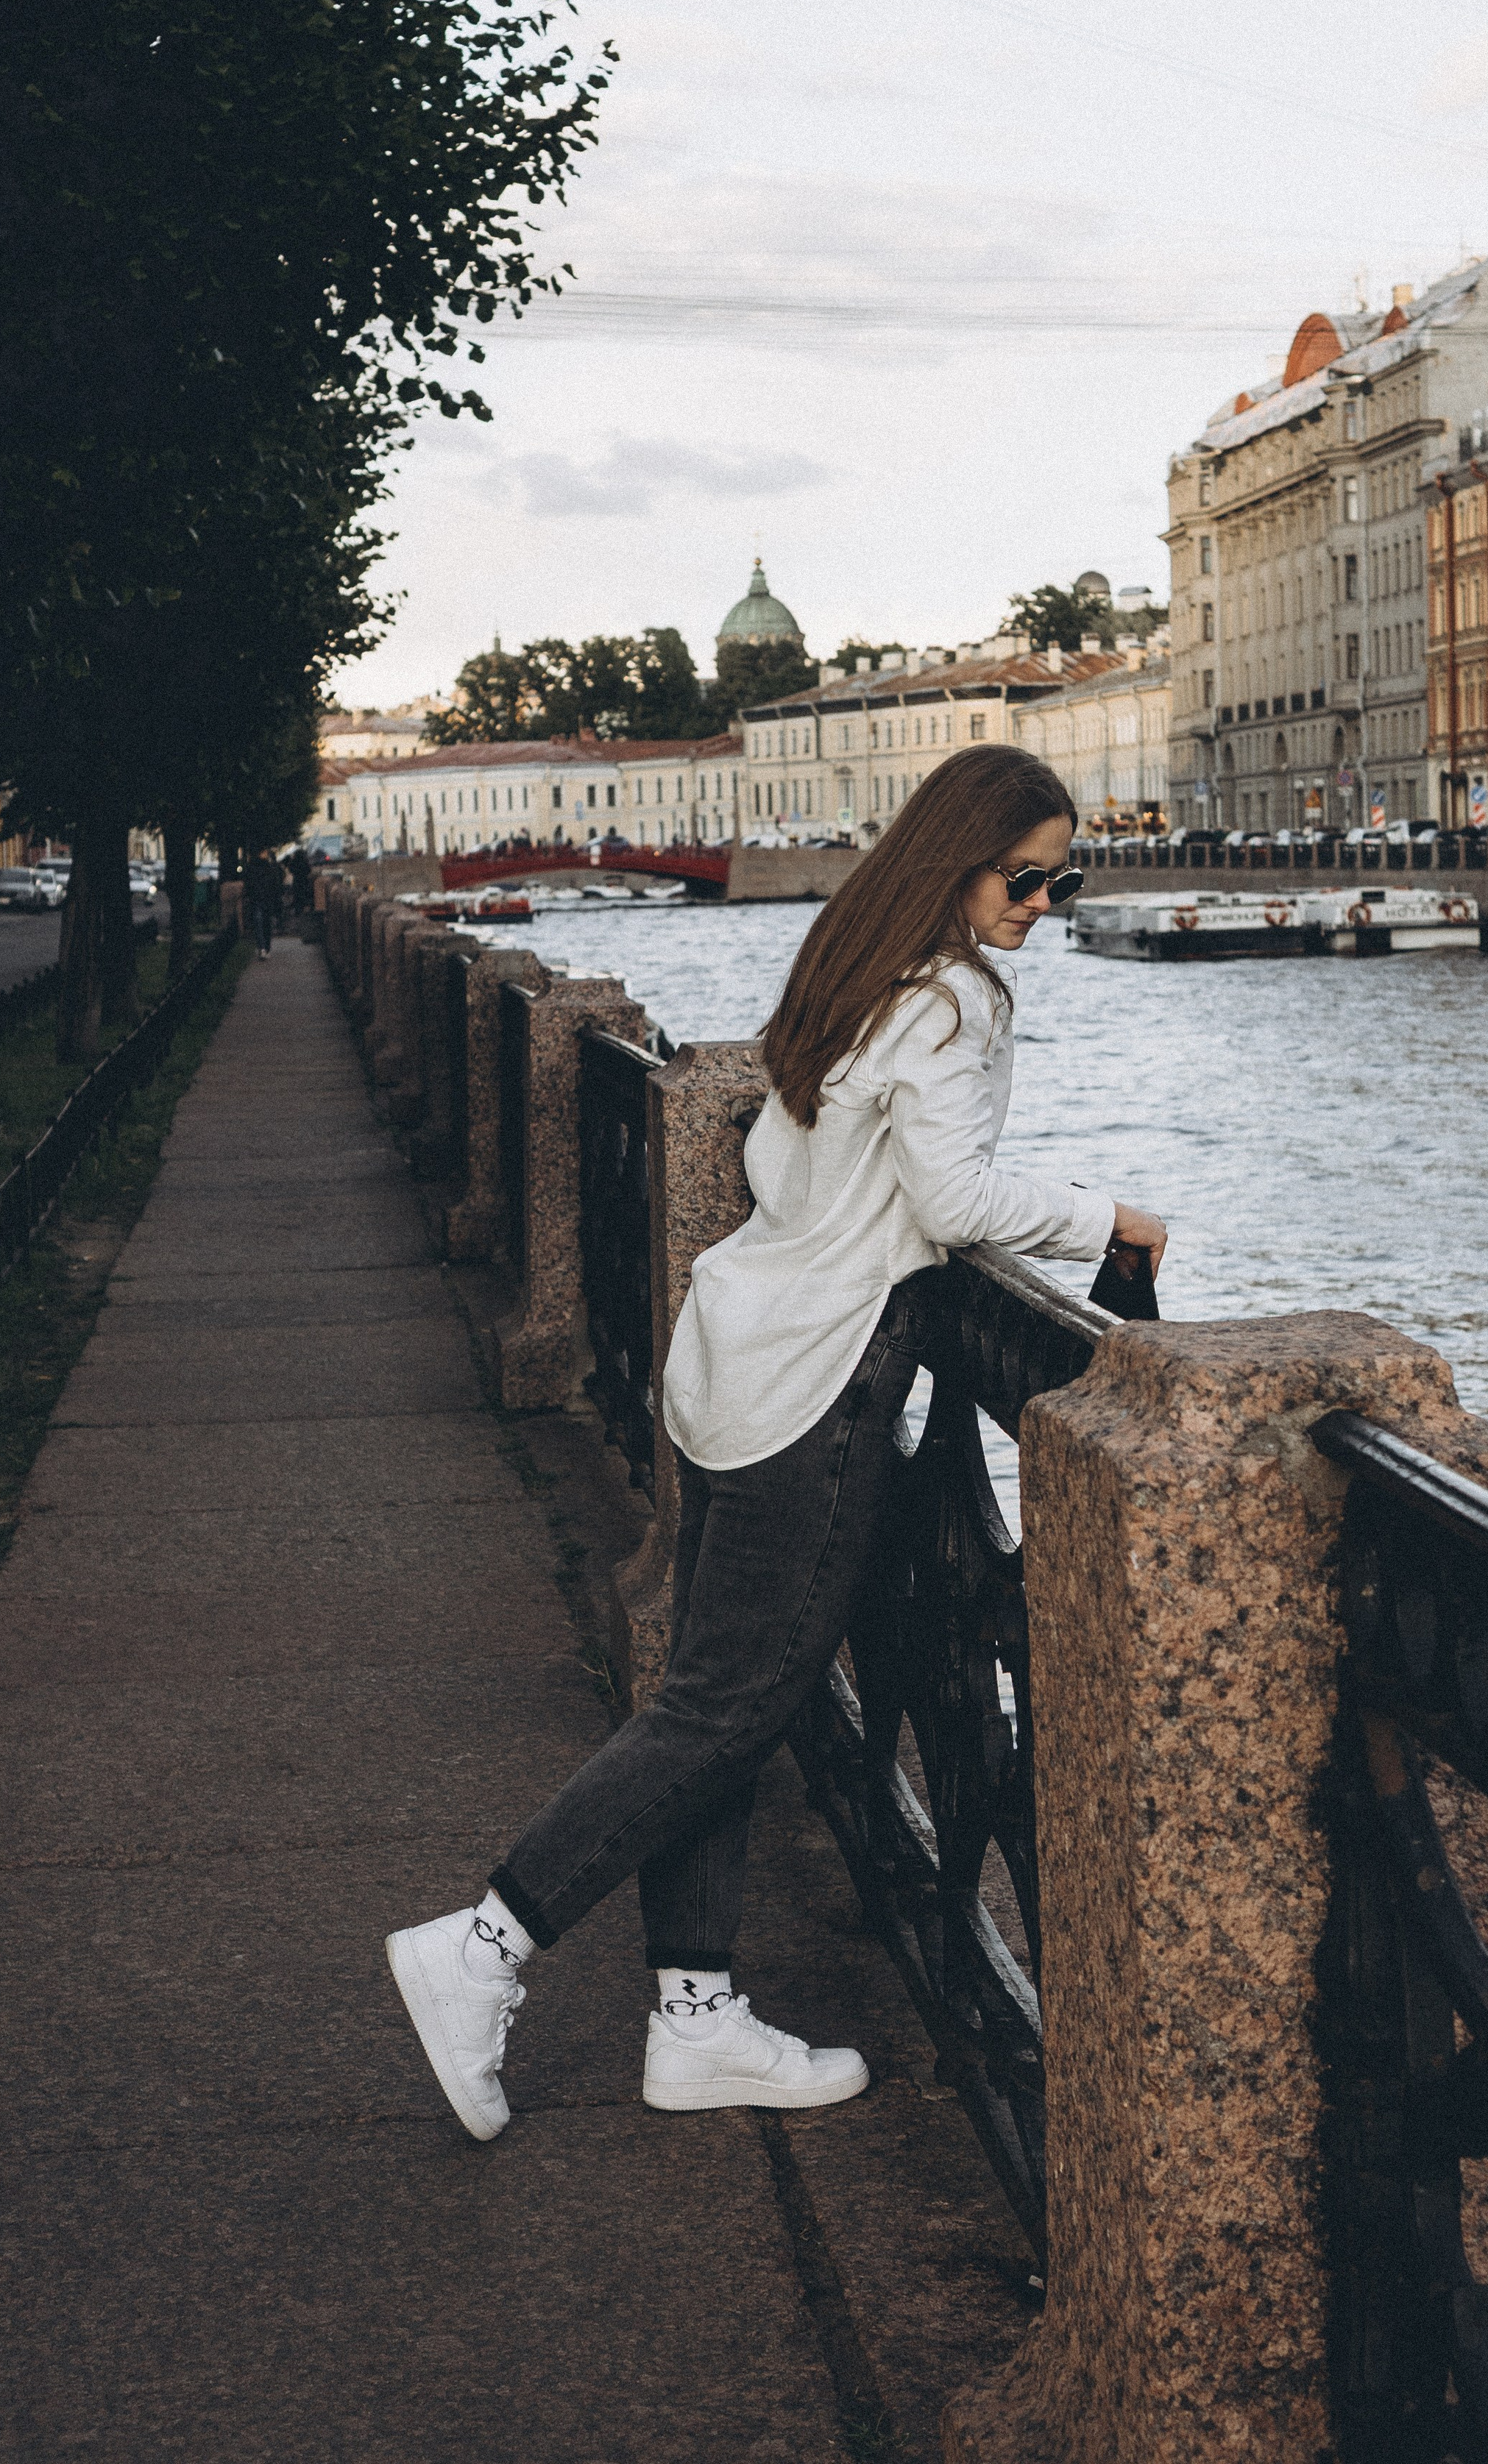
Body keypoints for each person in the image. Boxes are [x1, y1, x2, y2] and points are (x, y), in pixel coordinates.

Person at [386, 747, 1166, 2139]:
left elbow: (779, 1168)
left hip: (737, 1354)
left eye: (1067, 878)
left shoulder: (850, 971)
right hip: (819, 1383)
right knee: (729, 1706)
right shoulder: (955, 998)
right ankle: (485, 1945)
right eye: (1029, 875)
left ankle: (695, 2017)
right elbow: (955, 1193)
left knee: (717, 1695)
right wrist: (1112, 1220)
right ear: (958, 862)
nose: (1047, 903)